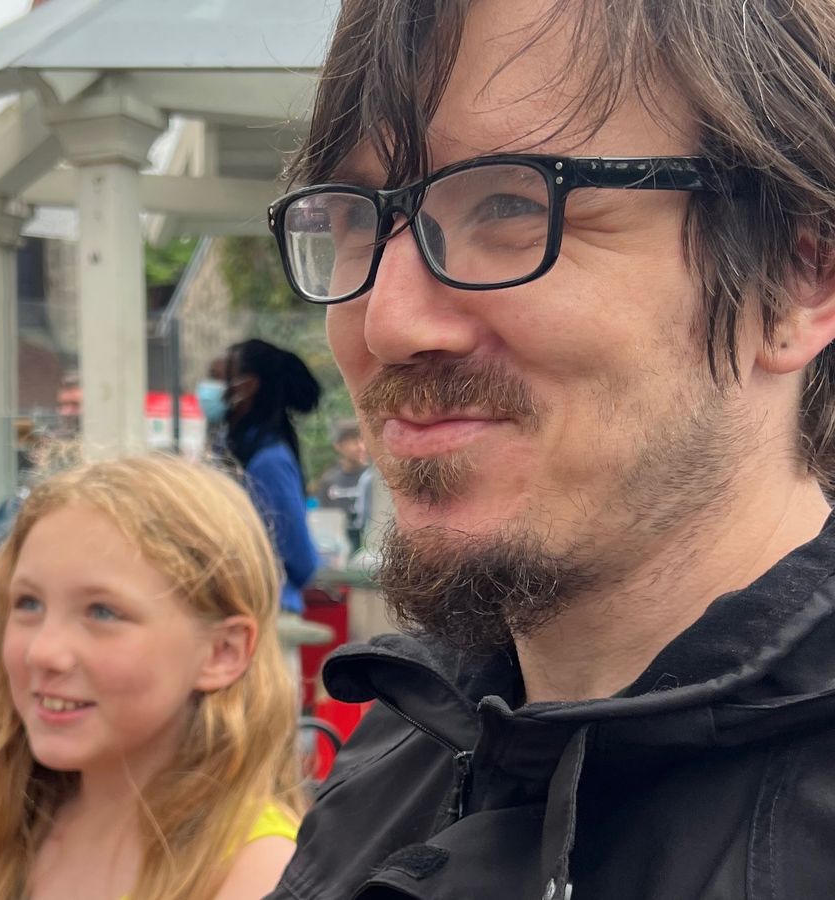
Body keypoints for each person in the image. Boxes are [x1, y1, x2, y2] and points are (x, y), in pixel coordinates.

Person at [264, 1, 835, 898]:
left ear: (800, 276)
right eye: (359, 223)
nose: (387, 322)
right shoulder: (403, 738)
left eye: (510, 203)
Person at [0, 454, 302, 899]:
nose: (43, 652)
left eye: (102, 612)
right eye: (28, 603)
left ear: (222, 652)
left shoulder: (258, 874)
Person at [220, 339, 322, 617]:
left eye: (218, 377)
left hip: (268, 613)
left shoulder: (269, 461)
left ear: (248, 386)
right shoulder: (236, 449)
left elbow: (301, 559)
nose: (211, 387)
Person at [314, 420, 368, 549]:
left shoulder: (372, 479)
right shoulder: (329, 481)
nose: (360, 447)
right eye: (354, 442)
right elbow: (325, 522)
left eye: (362, 440)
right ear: (338, 446)